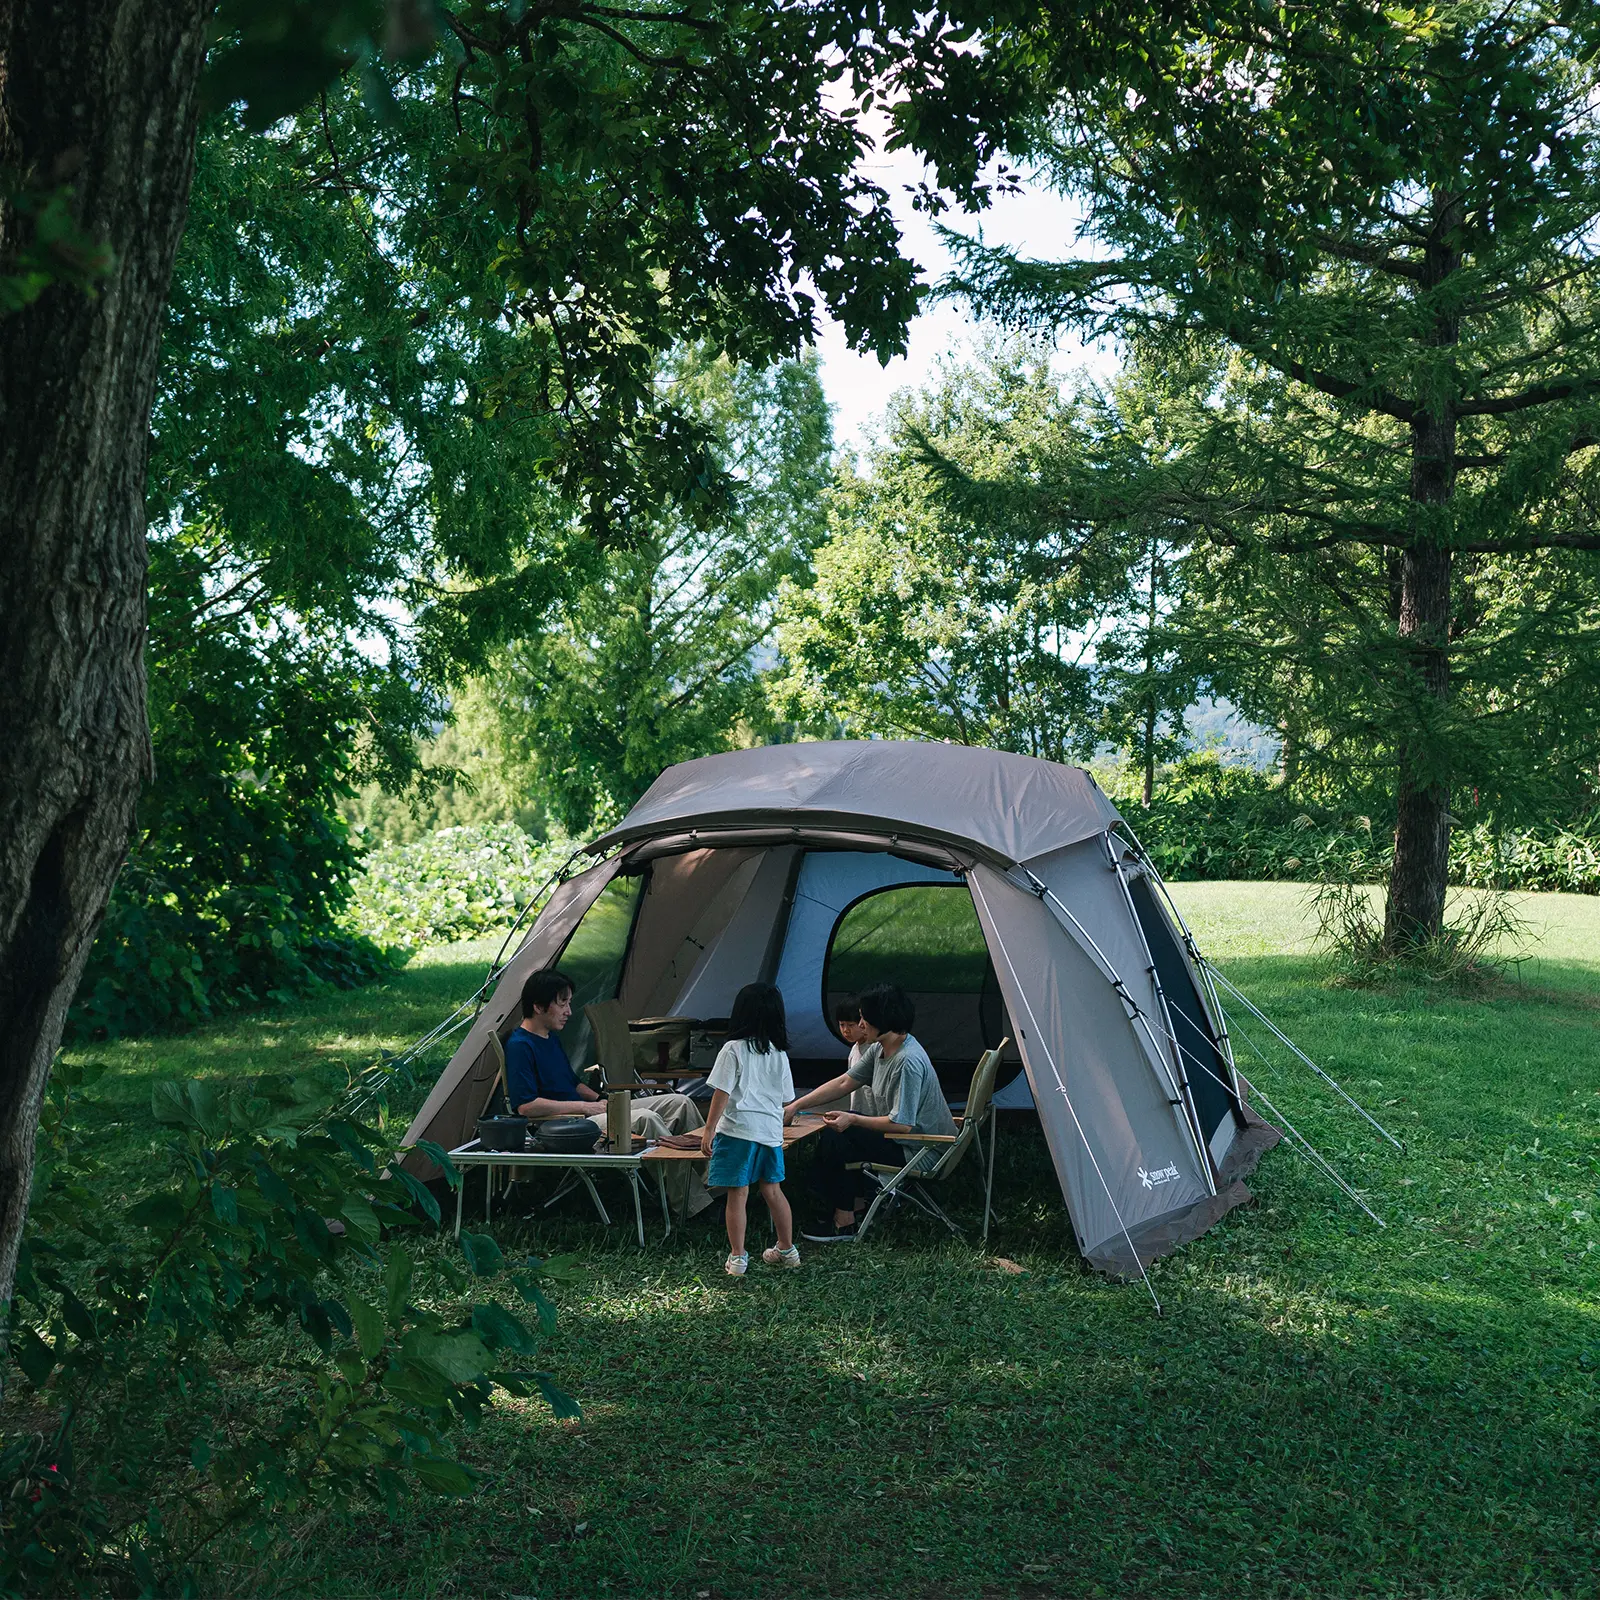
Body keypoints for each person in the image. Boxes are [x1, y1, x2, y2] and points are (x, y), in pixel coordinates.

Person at [504, 968, 713, 1216]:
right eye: (562, 1004)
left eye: (568, 1003)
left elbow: (571, 1084)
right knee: (646, 1118)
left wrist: (603, 1100)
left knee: (680, 1102)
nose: (569, 1012)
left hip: (587, 1113)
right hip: (564, 1127)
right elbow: (526, 1107)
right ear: (539, 1007)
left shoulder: (549, 1038)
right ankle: (696, 1206)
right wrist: (586, 1107)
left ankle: (713, 1183)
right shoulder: (519, 1046)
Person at [785, 982, 957, 1243]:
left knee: (840, 1137)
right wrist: (796, 1105)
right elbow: (845, 1082)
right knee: (839, 1134)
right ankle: (848, 1209)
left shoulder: (907, 1061)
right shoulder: (881, 1048)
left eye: (865, 1017)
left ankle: (844, 1222)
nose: (861, 1024)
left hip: (924, 1149)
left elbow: (902, 1125)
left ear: (883, 1019)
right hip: (906, 1141)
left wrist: (853, 1118)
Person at [701, 981, 799, 1276]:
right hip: (770, 1133)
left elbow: (722, 1092)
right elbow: (786, 1098)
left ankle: (738, 1257)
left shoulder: (733, 1049)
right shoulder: (779, 1054)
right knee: (773, 1190)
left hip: (738, 1132)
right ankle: (787, 1248)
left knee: (738, 1194)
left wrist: (708, 1130)